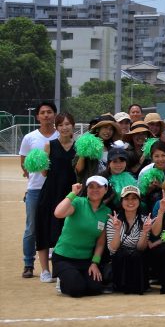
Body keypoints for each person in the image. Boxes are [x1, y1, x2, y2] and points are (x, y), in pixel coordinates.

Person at [34, 110, 76, 284]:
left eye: (67, 124)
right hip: (50, 193)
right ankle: (45, 270)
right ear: (56, 127)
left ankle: (63, 270)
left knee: (66, 232)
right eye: (60, 125)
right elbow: (44, 173)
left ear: (73, 125)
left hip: (71, 194)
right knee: (43, 230)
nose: (64, 127)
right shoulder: (49, 145)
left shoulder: (80, 145)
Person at [51, 176, 111, 297]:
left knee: (95, 288)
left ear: (106, 189)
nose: (94, 190)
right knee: (77, 289)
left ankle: (73, 277)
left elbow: (100, 242)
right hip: (64, 257)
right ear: (86, 189)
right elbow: (58, 213)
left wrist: (94, 263)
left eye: (99, 187)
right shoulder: (78, 202)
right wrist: (73, 194)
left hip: (85, 260)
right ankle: (62, 281)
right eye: (91, 187)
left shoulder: (106, 212)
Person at [20, 101, 59, 279]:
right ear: (37, 117)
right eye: (42, 113)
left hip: (57, 189)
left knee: (57, 226)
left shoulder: (61, 135)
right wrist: (34, 177)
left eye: (49, 112)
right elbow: (24, 163)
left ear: (55, 115)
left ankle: (58, 263)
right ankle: (29, 263)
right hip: (36, 189)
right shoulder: (30, 138)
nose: (46, 115)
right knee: (32, 228)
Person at [105, 184, 151, 294]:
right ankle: (120, 285)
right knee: (122, 253)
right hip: (120, 261)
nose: (130, 202)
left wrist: (144, 231)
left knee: (137, 254)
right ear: (121, 201)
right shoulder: (113, 220)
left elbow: (141, 248)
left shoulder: (145, 220)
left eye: (134, 198)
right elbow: (112, 249)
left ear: (139, 201)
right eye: (127, 198)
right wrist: (117, 230)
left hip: (137, 261)